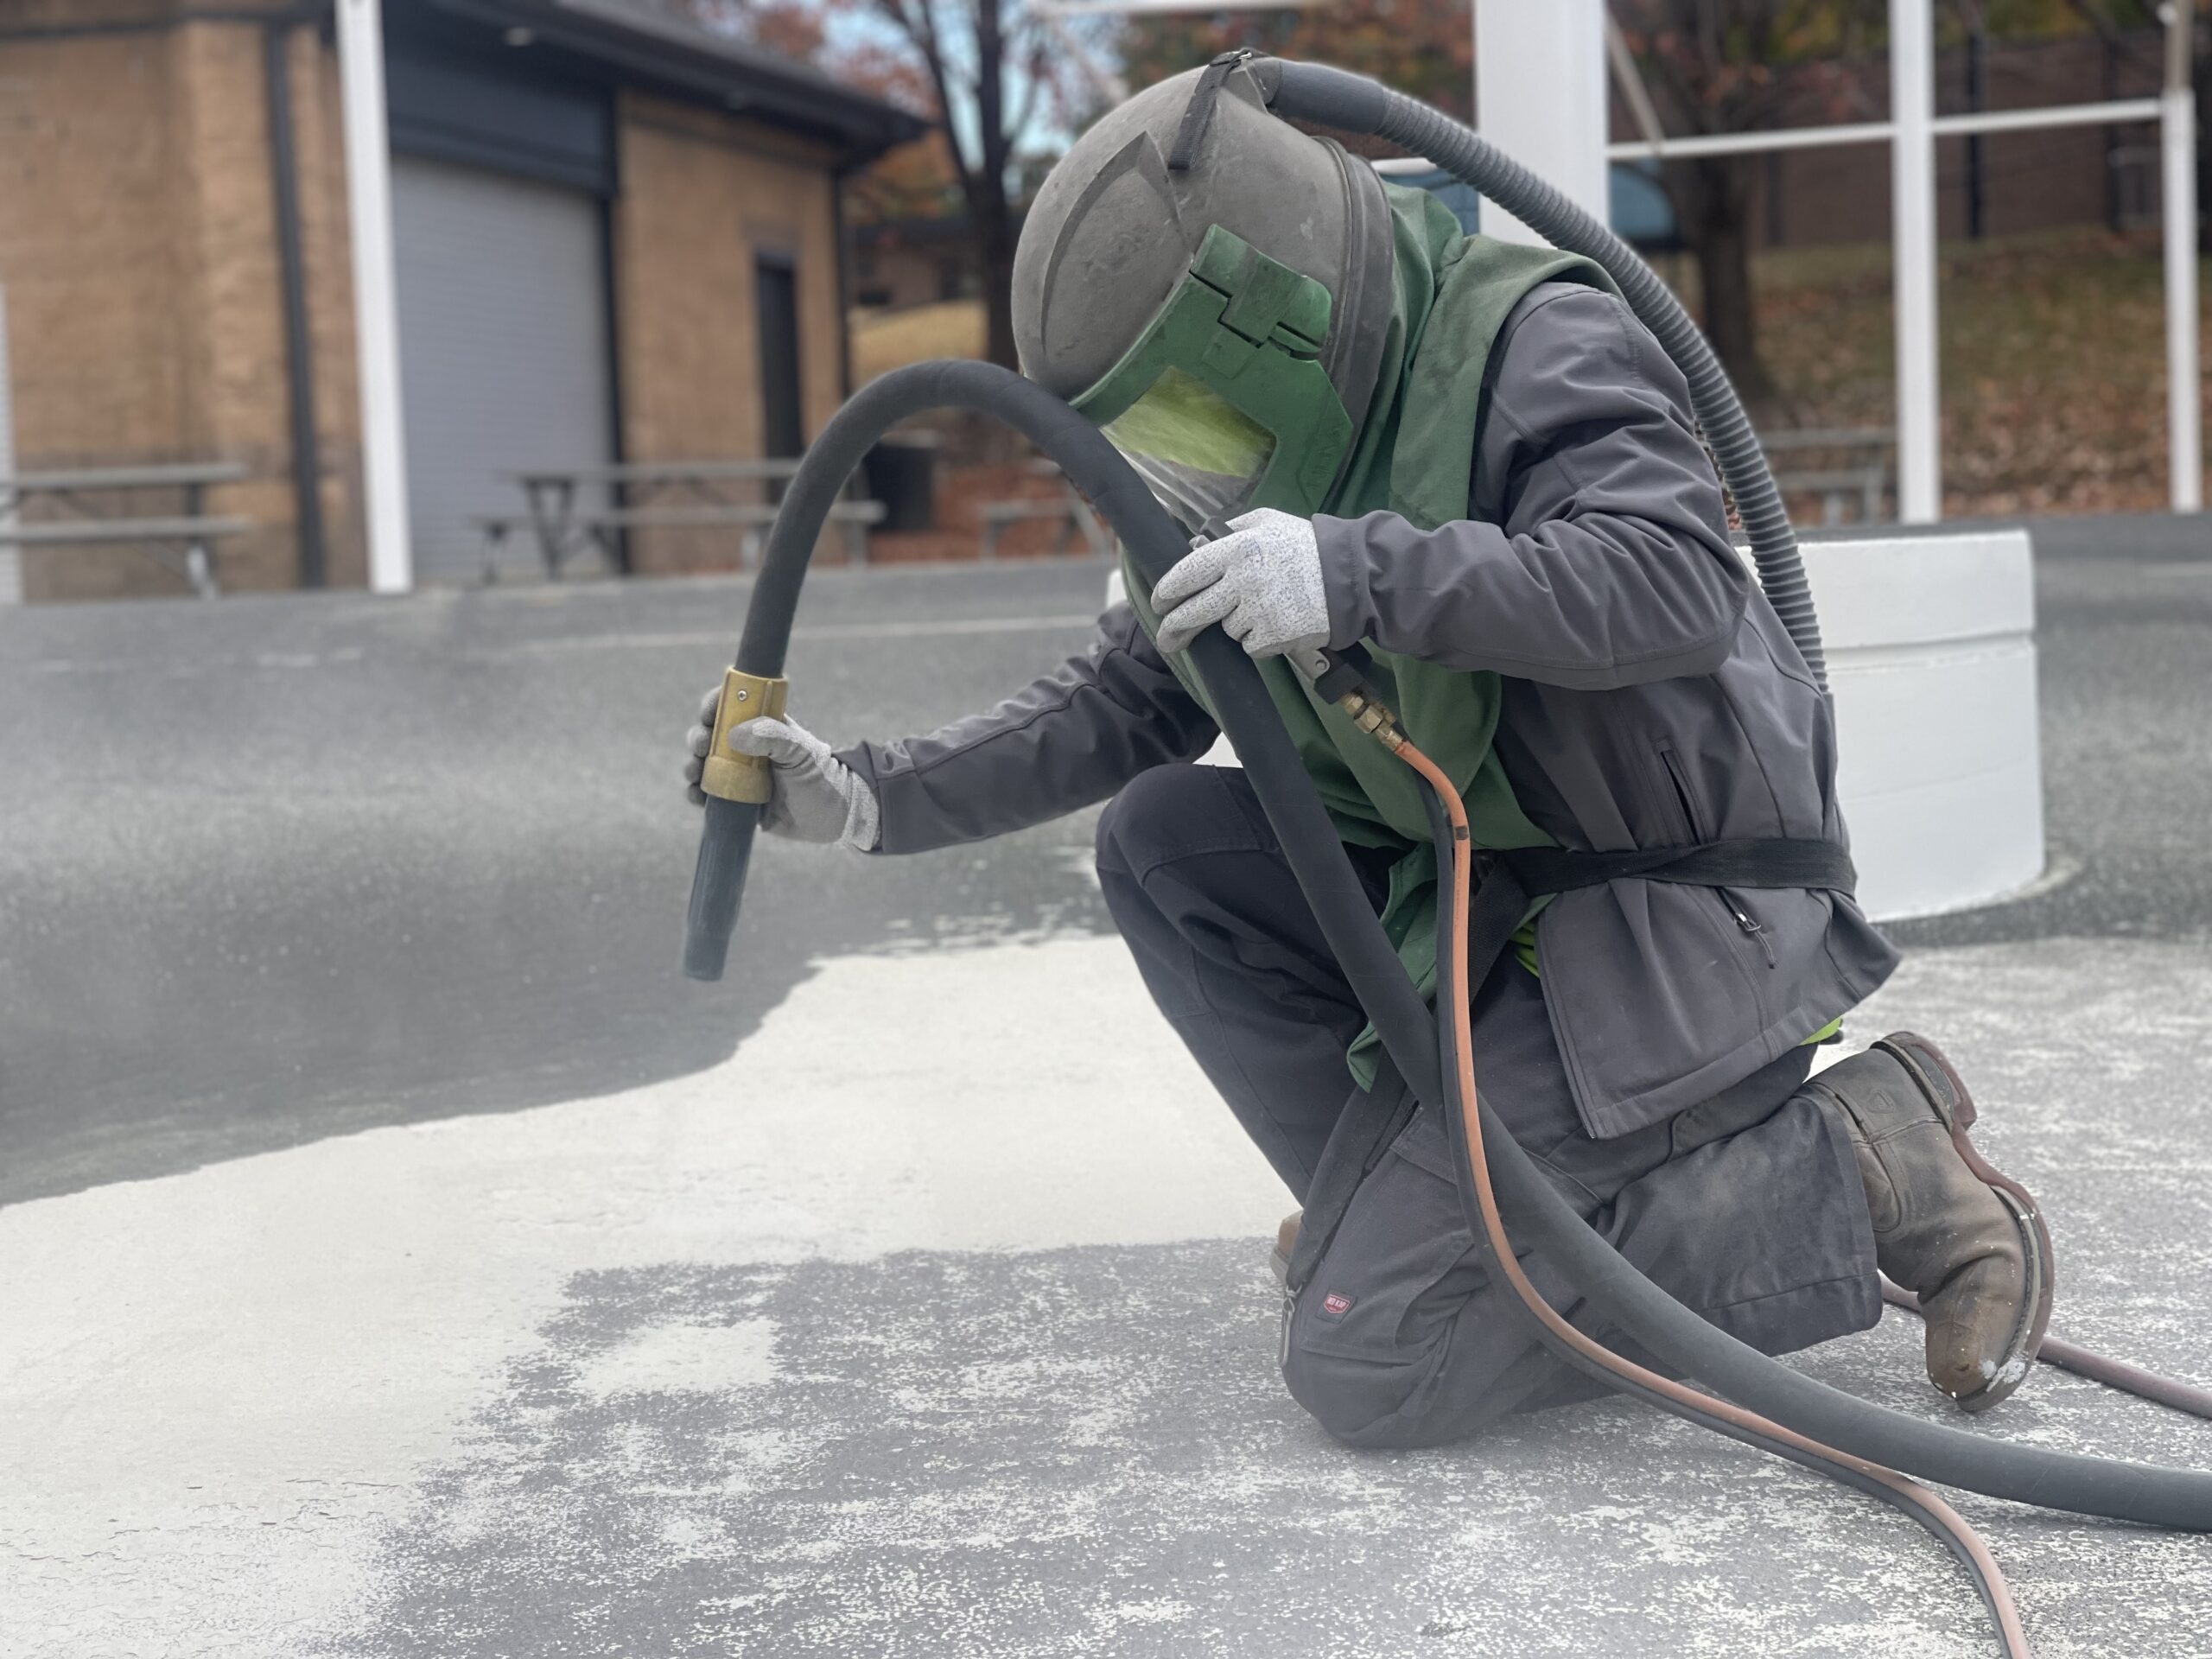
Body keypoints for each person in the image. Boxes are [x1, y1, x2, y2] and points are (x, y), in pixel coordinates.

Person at [683, 58, 2053, 1449]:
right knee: (1165, 843)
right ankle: (1396, 1216)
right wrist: (870, 797)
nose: (1183, 471)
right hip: (1492, 911)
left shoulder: (1536, 342)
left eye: (1180, 417)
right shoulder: (1273, 457)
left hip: (1674, 919)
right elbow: (1138, 690)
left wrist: (1356, 575)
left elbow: (1670, 581)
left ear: (1264, 319)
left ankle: (1871, 1167)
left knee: (1378, 1358)